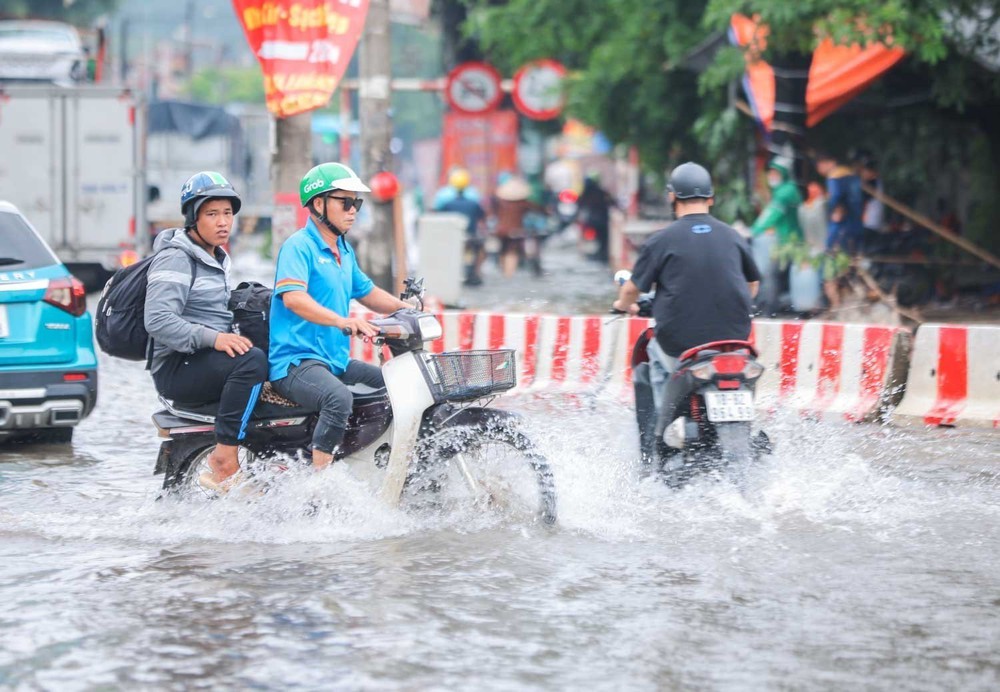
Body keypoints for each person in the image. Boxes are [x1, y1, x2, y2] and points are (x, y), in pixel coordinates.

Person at [268, 163, 411, 471]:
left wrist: (409, 310)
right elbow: (294, 298)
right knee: (338, 399)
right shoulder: (299, 246)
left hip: (334, 360)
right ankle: (322, 483)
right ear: (318, 204)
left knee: (396, 383)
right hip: (296, 363)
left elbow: (368, 292)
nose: (353, 210)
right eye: (345, 202)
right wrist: (342, 321)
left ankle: (367, 461)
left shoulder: (343, 250)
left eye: (356, 203)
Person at [145, 171, 268, 491]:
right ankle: (224, 457)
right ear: (192, 218)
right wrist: (216, 338)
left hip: (201, 358)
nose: (222, 222)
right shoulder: (176, 258)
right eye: (212, 214)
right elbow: (157, 320)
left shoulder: (215, 257)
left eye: (227, 213)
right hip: (176, 366)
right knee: (251, 360)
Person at [613, 162, 760, 410]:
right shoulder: (733, 236)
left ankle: (662, 430)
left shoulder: (661, 240)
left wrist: (621, 305)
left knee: (654, 354)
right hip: (736, 340)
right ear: (710, 198)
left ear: (672, 196)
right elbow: (752, 285)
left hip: (680, 343)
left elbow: (630, 290)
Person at [749, 156, 803, 315]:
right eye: (770, 173)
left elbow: (770, 215)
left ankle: (768, 312)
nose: (771, 177)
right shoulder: (788, 189)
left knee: (770, 274)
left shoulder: (785, 192)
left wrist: (753, 231)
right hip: (790, 240)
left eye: (776, 173)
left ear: (784, 174)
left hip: (789, 243)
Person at [815, 152, 864, 308]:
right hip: (855, 226)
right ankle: (849, 300)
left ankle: (835, 303)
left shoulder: (835, 177)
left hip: (841, 227)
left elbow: (834, 198)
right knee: (851, 264)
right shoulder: (852, 176)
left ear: (829, 162)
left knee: (829, 264)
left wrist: (832, 211)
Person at [438, 172, 487, 286]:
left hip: (454, 238)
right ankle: (475, 273)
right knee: (480, 252)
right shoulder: (473, 203)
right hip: (471, 237)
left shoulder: (447, 204)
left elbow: (440, 219)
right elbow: (482, 217)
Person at [493, 175, 542, 278]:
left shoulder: (500, 202)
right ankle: (509, 275)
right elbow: (539, 209)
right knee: (512, 251)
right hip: (515, 231)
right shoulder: (523, 203)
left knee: (503, 249)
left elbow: (492, 213)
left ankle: (503, 271)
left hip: (500, 231)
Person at [577, 173, 616, 263]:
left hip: (592, 222)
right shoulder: (602, 193)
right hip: (601, 222)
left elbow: (579, 206)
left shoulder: (585, 194)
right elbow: (613, 203)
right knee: (603, 241)